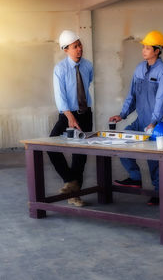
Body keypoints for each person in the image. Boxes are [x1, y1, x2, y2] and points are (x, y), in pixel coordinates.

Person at [108, 30, 163, 205]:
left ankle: (159, 194)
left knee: (154, 160)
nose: (143, 50)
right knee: (122, 142)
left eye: (147, 47)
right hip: (140, 119)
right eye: (143, 47)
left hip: (157, 122)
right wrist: (122, 115)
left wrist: (153, 122)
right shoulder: (139, 68)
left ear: (157, 50)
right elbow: (131, 95)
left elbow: (161, 99)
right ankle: (135, 178)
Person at [47, 30, 94, 207]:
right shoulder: (60, 69)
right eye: (75, 47)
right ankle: (70, 181)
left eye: (80, 45)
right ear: (66, 49)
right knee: (51, 146)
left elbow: (86, 85)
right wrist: (69, 117)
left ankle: (75, 195)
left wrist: (81, 112)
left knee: (80, 156)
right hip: (67, 114)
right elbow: (60, 96)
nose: (79, 49)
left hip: (85, 114)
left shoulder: (88, 66)